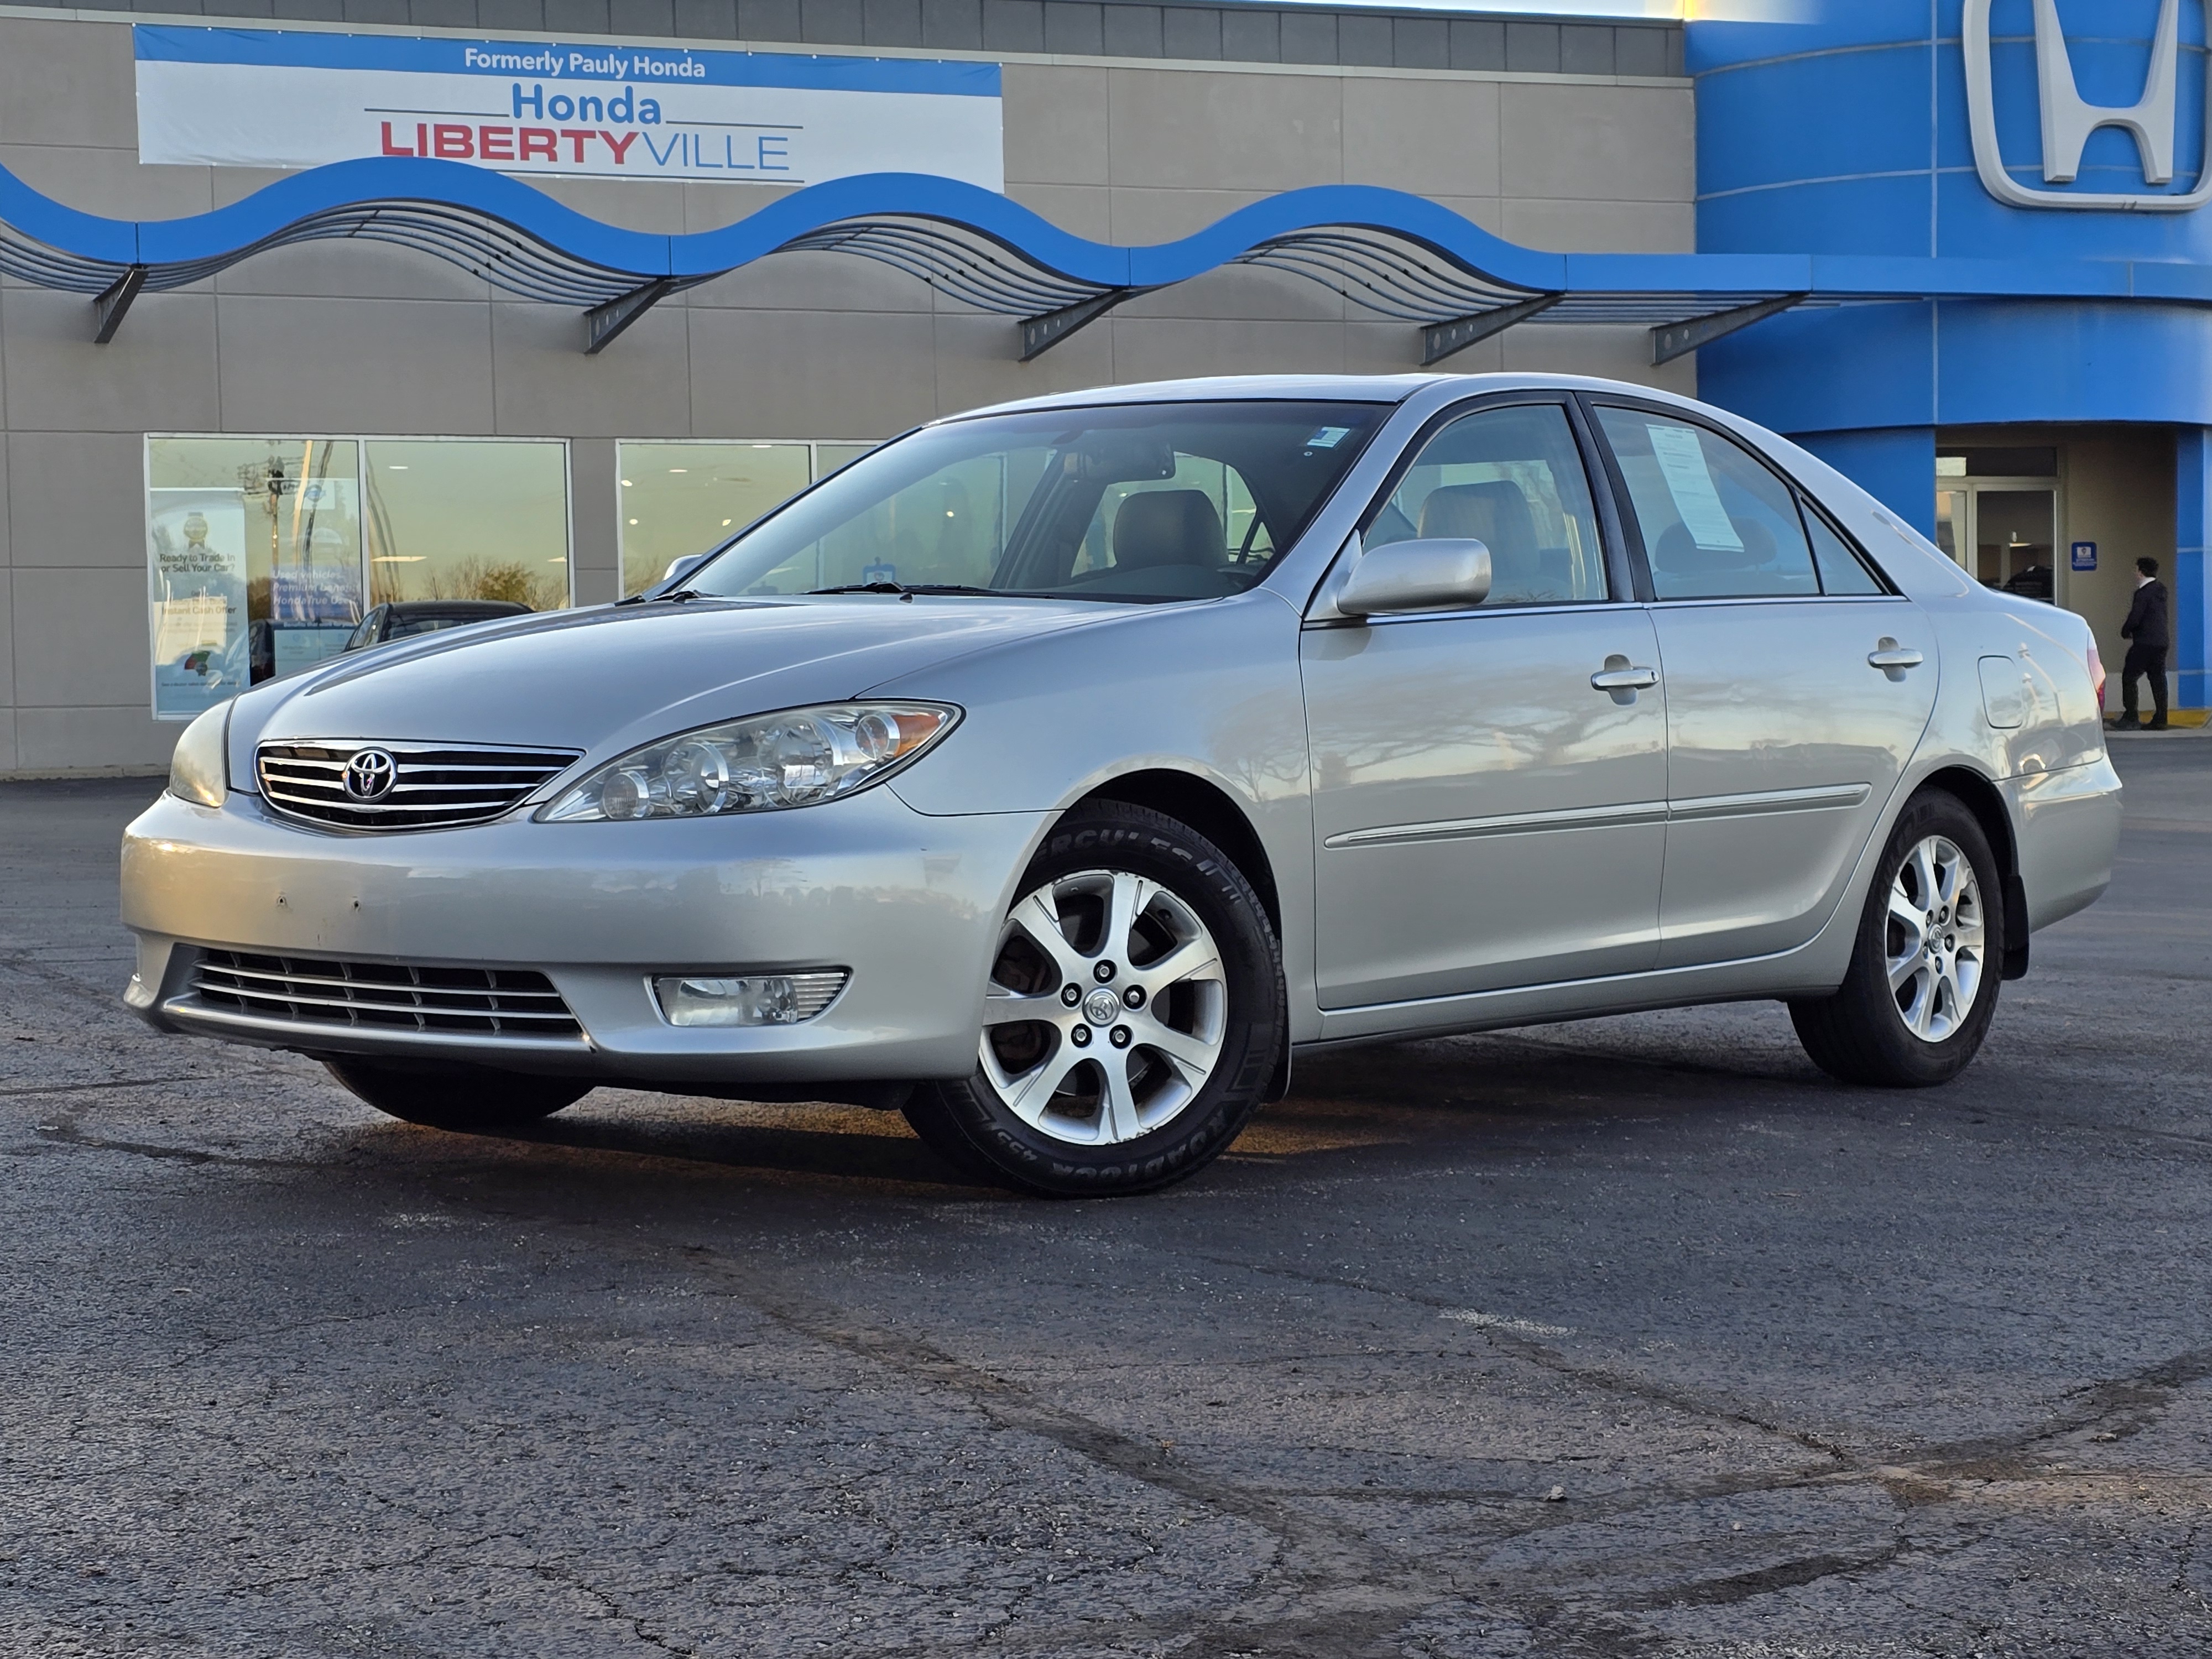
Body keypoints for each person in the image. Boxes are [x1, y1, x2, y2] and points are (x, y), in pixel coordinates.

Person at [2116, 556, 2171, 731]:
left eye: (2136, 570)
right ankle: (2161, 718)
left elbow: (2136, 616)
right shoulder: (2161, 590)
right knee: (2158, 680)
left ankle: (2131, 716)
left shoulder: (2143, 593)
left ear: (2140, 572)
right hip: (2161, 642)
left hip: (2144, 642)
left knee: (2129, 677)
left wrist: (2126, 630)